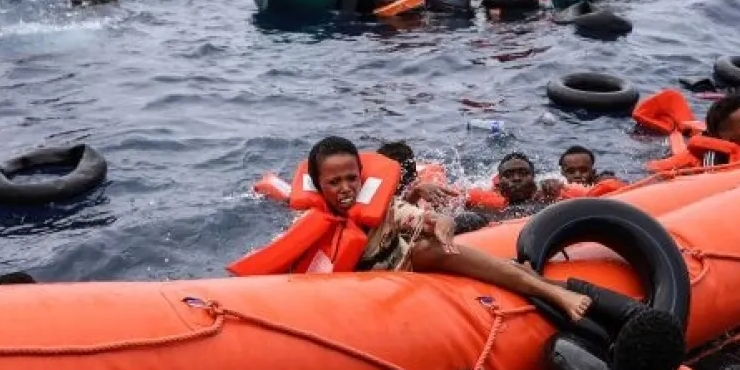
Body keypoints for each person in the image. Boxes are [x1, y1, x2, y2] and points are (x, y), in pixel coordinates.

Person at [234, 137, 592, 322]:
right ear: (318, 184)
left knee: (427, 248)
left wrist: (442, 223)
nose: (345, 189)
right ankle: (532, 278)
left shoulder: (384, 205)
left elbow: (421, 217)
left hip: (402, 267)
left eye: (351, 179)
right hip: (354, 290)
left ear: (361, 176)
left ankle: (552, 293)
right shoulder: (307, 224)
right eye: (334, 182)